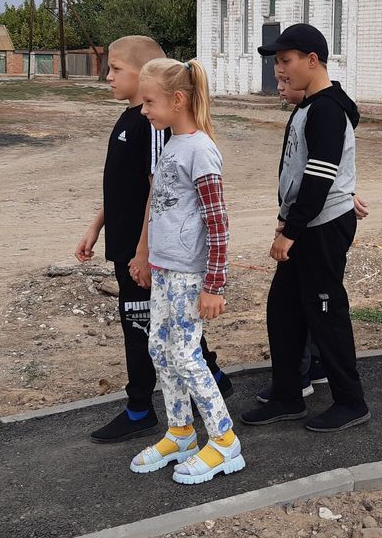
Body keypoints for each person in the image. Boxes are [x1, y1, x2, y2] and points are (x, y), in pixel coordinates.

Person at [75, 36, 229, 445]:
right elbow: (132, 189)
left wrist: (143, 252)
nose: (108, 76)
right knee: (163, 342)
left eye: (115, 69)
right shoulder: (140, 122)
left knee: (165, 341)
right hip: (146, 254)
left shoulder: (171, 136)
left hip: (159, 257)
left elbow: (189, 207)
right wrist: (96, 226)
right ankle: (185, 421)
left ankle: (199, 430)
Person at [242, 24, 370, 432]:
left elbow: (319, 177)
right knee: (283, 310)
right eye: (277, 62)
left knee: (326, 313)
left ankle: (351, 402)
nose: (279, 70)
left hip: (321, 227)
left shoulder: (327, 109)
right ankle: (287, 395)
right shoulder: (309, 106)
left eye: (285, 60)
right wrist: (288, 219)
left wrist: (290, 232)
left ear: (312, 60)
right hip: (305, 222)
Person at [127, 58, 244, 484]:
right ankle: (180, 434)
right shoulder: (171, 143)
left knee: (186, 354)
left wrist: (214, 284)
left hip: (190, 276)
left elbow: (218, 221)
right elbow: (159, 204)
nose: (143, 110)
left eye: (149, 102)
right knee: (159, 348)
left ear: (177, 100)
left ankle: (225, 441)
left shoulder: (200, 150)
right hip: (164, 270)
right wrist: (145, 254)